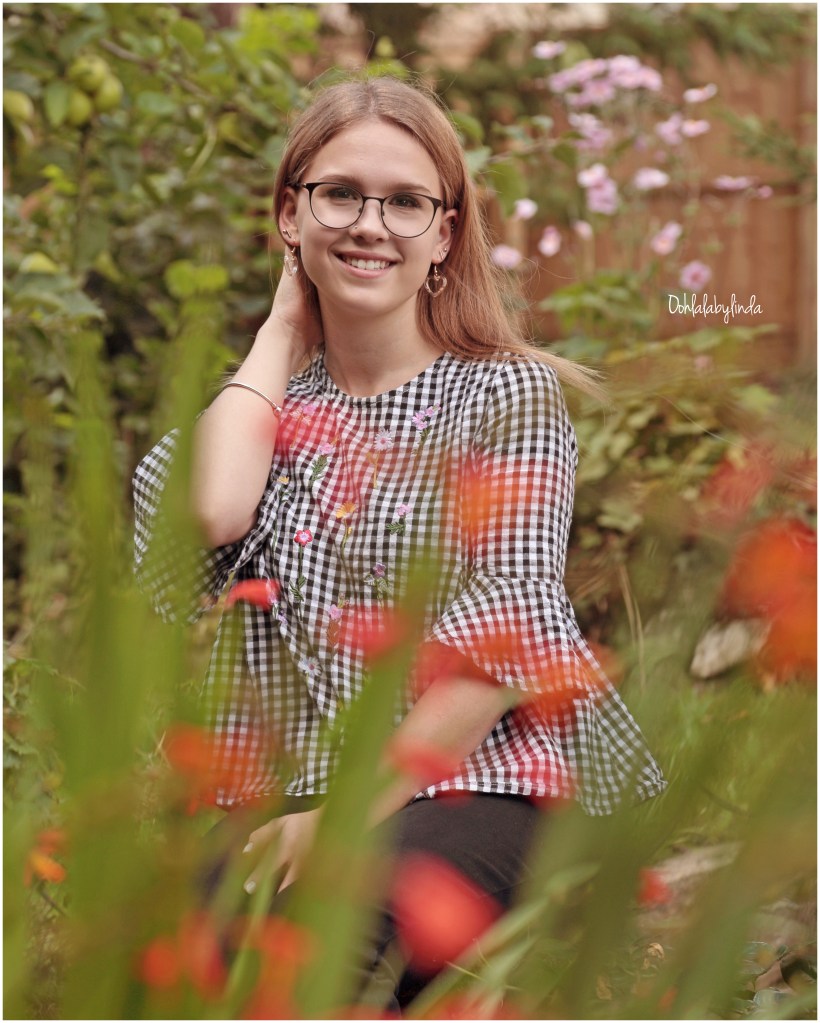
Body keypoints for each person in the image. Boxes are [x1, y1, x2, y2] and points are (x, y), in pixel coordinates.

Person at [133, 75, 666, 1010]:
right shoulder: (264, 418)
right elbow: (209, 515)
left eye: (407, 201)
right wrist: (280, 329)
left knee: (329, 946)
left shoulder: (500, 396)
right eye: (340, 194)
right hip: (292, 788)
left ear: (446, 234)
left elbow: (499, 641)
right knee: (180, 961)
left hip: (491, 778)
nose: (369, 224)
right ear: (289, 216)